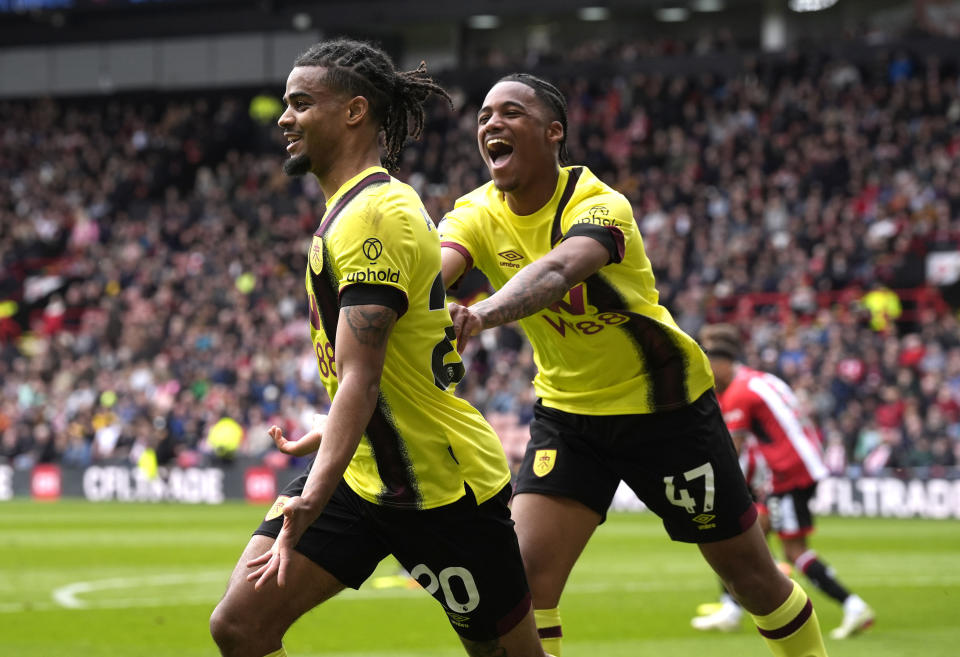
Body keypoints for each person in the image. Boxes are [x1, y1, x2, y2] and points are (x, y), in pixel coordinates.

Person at [438, 72, 830, 657]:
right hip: (569, 416)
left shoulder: (601, 204)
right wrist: (406, 298)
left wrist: (477, 315)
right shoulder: (474, 212)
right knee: (522, 585)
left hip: (665, 410)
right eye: (484, 116)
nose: (491, 123)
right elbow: (432, 270)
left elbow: (555, 272)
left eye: (511, 112)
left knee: (752, 581)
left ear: (553, 133)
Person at [209, 40, 550, 657]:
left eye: (301, 103)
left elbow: (362, 379)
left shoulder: (375, 214)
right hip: (363, 471)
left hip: (439, 485)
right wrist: (332, 430)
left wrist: (311, 496)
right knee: (240, 625)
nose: (284, 118)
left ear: (354, 111)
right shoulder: (349, 209)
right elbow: (371, 375)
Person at [693, 324, 875, 639]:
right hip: (800, 464)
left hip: (788, 474)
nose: (708, 376)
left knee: (793, 550)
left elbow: (730, 453)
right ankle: (732, 609)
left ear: (720, 362)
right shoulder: (759, 380)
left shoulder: (738, 394)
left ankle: (853, 605)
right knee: (744, 534)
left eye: (708, 366)